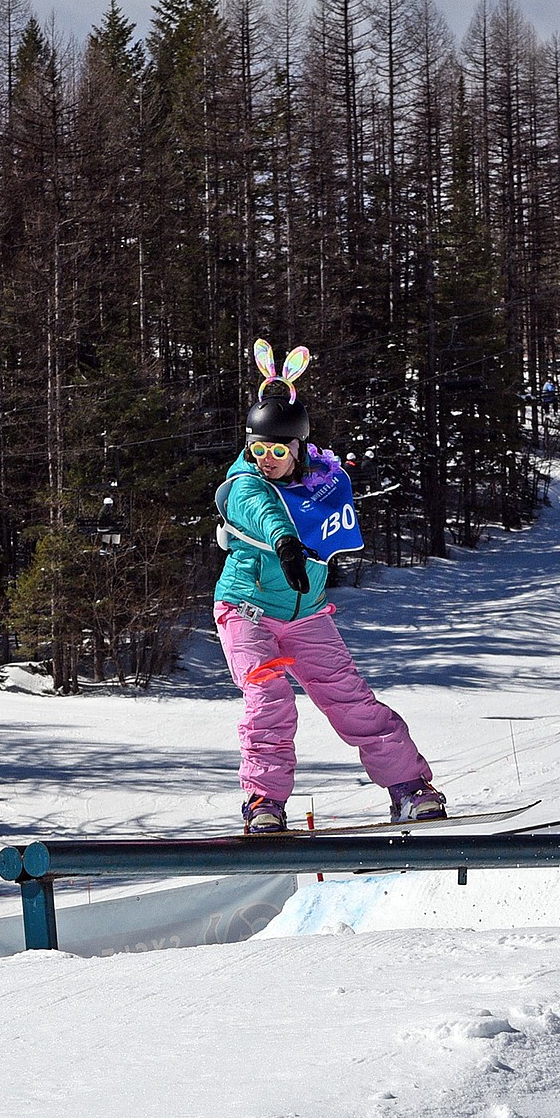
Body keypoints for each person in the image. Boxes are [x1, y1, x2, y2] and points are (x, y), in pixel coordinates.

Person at [214, 340, 447, 835]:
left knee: (351, 699)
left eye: (277, 450)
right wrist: (285, 544)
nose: (266, 460)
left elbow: (333, 515)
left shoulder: (322, 478)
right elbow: (262, 509)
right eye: (257, 449)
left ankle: (408, 788)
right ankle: (264, 801)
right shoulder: (244, 482)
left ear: (297, 447)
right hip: (246, 608)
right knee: (270, 698)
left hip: (307, 613)